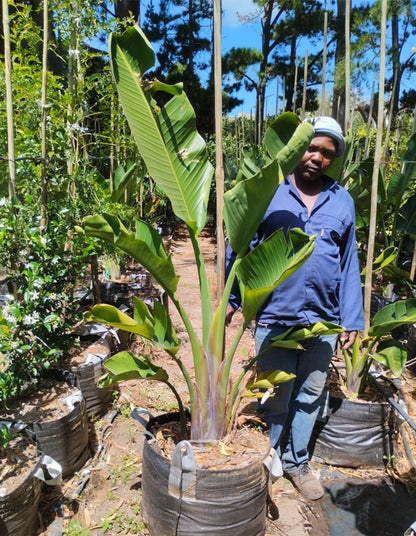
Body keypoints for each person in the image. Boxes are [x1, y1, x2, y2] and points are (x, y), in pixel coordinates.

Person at [225, 116, 364, 501]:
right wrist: (232, 299)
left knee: (310, 395)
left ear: (333, 159)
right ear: (299, 147)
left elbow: (350, 261)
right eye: (312, 147)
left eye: (327, 153)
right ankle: (265, 460)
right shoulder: (270, 192)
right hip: (275, 314)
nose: (317, 157)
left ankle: (297, 462)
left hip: (323, 320)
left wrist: (352, 318)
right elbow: (238, 247)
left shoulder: (343, 201)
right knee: (276, 394)